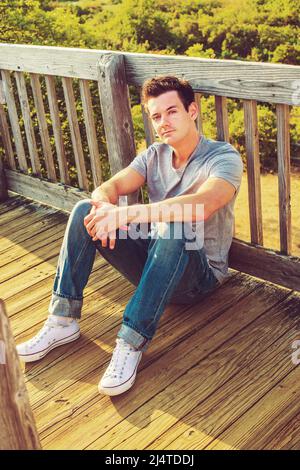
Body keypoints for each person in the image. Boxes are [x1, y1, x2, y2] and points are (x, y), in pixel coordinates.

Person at [16, 76, 243, 396]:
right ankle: (63, 319)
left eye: (172, 111)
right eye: (156, 116)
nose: (164, 122)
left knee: (176, 225)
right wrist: (103, 209)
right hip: (154, 265)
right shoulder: (154, 155)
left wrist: (125, 214)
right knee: (84, 210)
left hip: (198, 277)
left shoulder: (223, 157)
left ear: (192, 111)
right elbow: (109, 188)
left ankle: (130, 341)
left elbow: (202, 207)